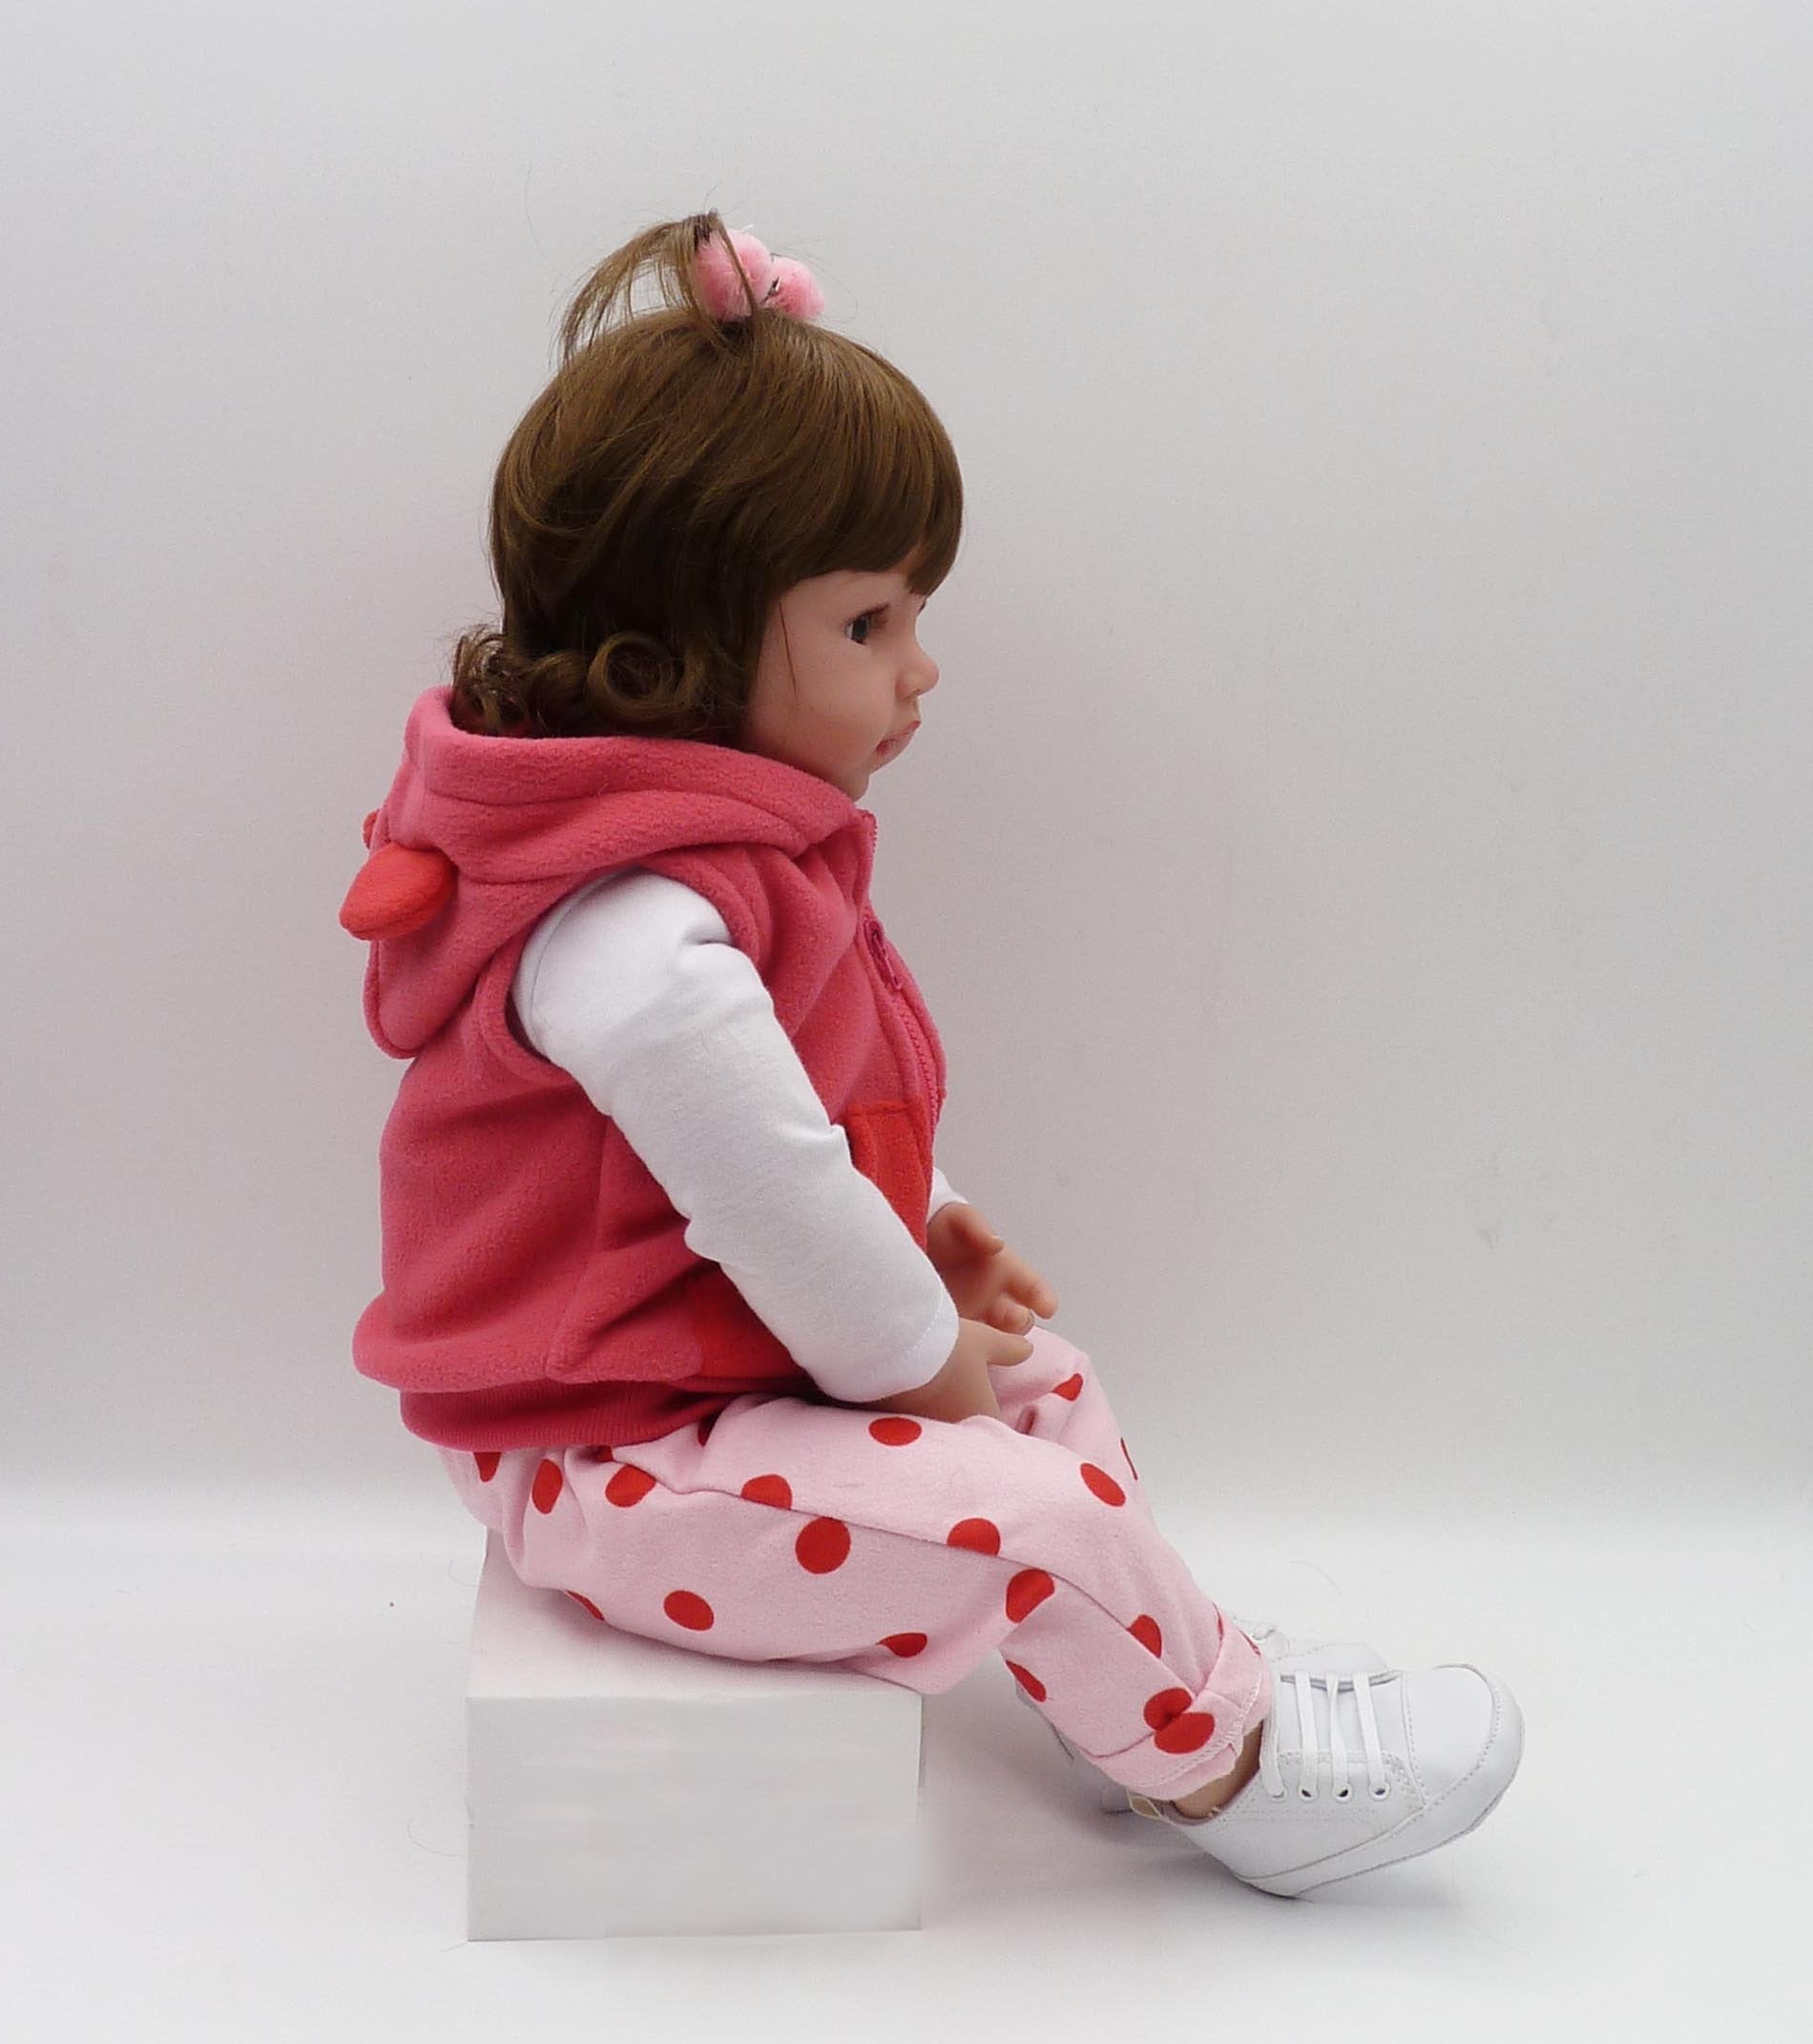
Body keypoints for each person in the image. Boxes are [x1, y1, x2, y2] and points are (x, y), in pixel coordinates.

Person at [337, 212, 1523, 1897]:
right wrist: (912, 1358)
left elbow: (804, 1123)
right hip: (607, 1461)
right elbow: (777, 1203)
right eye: (868, 623)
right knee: (1028, 1511)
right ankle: (1234, 1771)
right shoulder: (628, 932)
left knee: (1049, 1380)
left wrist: (927, 1216)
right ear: (682, 644)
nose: (922, 666)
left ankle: (1159, 1680)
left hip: (698, 1379)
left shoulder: (716, 858)